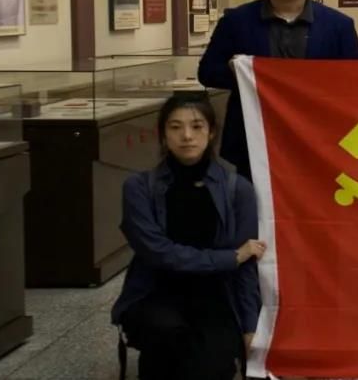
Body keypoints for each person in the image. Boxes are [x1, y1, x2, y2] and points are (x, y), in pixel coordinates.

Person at [111, 93, 265, 380]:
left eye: (196, 126)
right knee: (165, 336)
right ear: (163, 134)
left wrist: (250, 327)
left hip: (217, 295)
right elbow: (158, 253)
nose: (186, 136)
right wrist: (230, 257)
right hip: (156, 291)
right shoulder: (138, 188)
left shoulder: (238, 189)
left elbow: (247, 267)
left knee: (211, 366)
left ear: (212, 132)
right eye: (175, 127)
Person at [198, 0, 358, 180]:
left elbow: (356, 83)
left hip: (319, 141)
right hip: (253, 140)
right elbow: (207, 72)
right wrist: (236, 70)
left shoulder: (338, 25)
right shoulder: (236, 21)